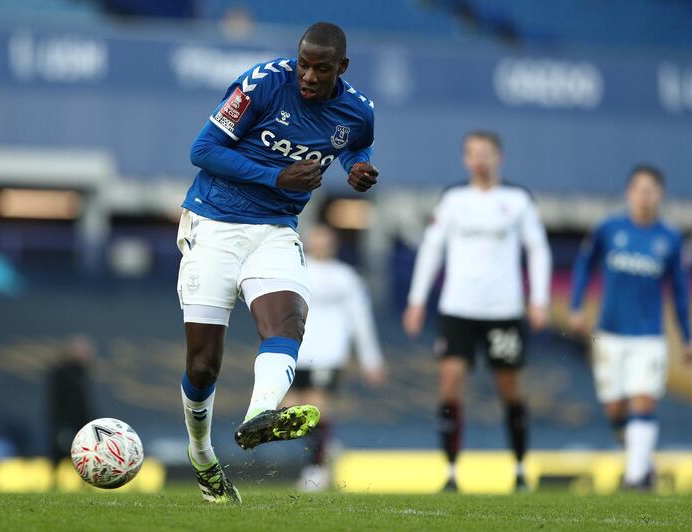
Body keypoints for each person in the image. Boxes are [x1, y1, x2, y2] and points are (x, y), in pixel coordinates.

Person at [176, 22, 378, 503]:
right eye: (304, 64)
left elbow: (352, 141)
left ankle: (258, 416)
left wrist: (356, 167)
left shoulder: (360, 110)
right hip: (213, 223)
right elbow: (201, 150)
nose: (308, 76)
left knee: (288, 320)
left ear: (341, 69)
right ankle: (202, 455)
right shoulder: (261, 84)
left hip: (275, 230)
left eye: (321, 69)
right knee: (203, 366)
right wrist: (276, 175)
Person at [402, 130, 551, 492]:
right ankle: (451, 471)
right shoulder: (453, 200)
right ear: (465, 159)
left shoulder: (516, 200)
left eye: (485, 152)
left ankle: (519, 466)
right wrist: (417, 300)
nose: (479, 159)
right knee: (450, 382)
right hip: (459, 308)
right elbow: (431, 250)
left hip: (504, 310)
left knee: (509, 387)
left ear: (498, 157)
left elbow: (538, 249)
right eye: (472, 153)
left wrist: (539, 299)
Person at [569, 165, 692, 490]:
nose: (644, 195)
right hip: (609, 333)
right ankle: (641, 462)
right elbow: (584, 265)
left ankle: (635, 478)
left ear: (660, 195)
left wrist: (687, 337)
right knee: (614, 407)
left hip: (649, 336)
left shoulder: (669, 238)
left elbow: (681, 291)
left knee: (643, 399)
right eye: (639, 188)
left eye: (651, 189)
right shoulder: (609, 229)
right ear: (629, 192)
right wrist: (576, 305)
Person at [282, 225, 386, 491]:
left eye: (325, 239)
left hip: (329, 353)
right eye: (316, 238)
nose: (320, 244)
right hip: (298, 352)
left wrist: (370, 359)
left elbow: (360, 319)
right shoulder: (294, 272)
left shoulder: (345, 277)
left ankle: (315, 470)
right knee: (288, 410)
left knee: (317, 407)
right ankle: (328, 444)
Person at [47, 334, 96, 461]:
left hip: (80, 428)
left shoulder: (82, 374)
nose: (87, 354)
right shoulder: (62, 374)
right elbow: (63, 405)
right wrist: (63, 428)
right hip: (67, 428)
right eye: (82, 350)